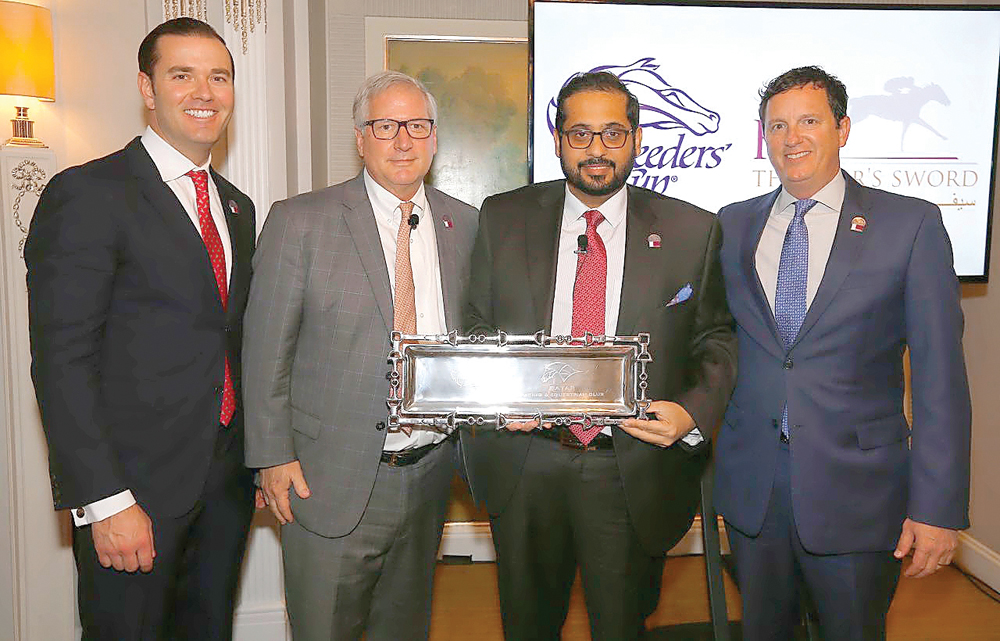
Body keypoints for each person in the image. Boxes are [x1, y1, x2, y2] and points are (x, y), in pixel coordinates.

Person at [464, 71, 737, 640]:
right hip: (527, 463)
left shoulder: (691, 229)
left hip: (630, 468)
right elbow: (477, 326)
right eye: (580, 134)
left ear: (636, 139)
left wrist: (691, 413)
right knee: (528, 628)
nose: (596, 149)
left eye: (613, 133)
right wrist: (498, 396)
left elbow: (715, 338)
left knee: (622, 627)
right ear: (557, 140)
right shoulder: (502, 217)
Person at [713, 66, 972, 640]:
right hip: (755, 490)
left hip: (859, 493)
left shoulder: (909, 224)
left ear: (843, 129)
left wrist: (937, 508)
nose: (792, 138)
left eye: (809, 121)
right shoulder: (732, 225)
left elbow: (941, 381)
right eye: (777, 125)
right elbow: (717, 344)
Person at [24, 17, 256, 640]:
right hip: (132, 496)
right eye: (182, 75)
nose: (204, 92)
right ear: (147, 89)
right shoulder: (88, 193)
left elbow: (229, 342)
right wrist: (105, 500)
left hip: (224, 491)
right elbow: (62, 361)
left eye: (219, 77)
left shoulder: (237, 207)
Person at [244, 70, 477, 641]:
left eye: (417, 126)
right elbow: (265, 349)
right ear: (360, 138)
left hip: (430, 475)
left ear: (434, 137)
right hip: (328, 478)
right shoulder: (300, 221)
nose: (403, 140)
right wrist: (272, 455)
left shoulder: (466, 224)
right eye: (385, 126)